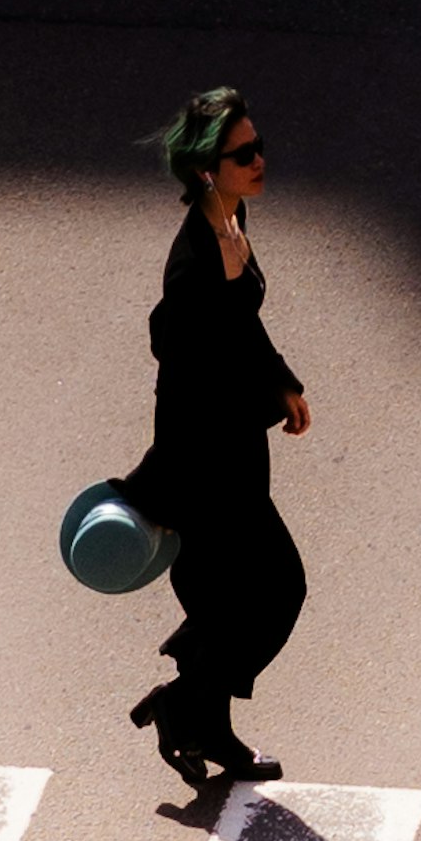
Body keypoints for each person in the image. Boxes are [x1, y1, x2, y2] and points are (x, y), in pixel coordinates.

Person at [127, 83, 309, 795]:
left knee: (237, 601)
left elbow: (244, 330)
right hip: (205, 467)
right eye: (244, 154)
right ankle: (184, 703)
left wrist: (282, 383)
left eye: (259, 147)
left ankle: (203, 717)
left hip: (234, 453)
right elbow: (177, 352)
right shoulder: (197, 258)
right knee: (277, 590)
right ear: (208, 168)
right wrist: (222, 287)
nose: (260, 160)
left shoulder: (229, 223)